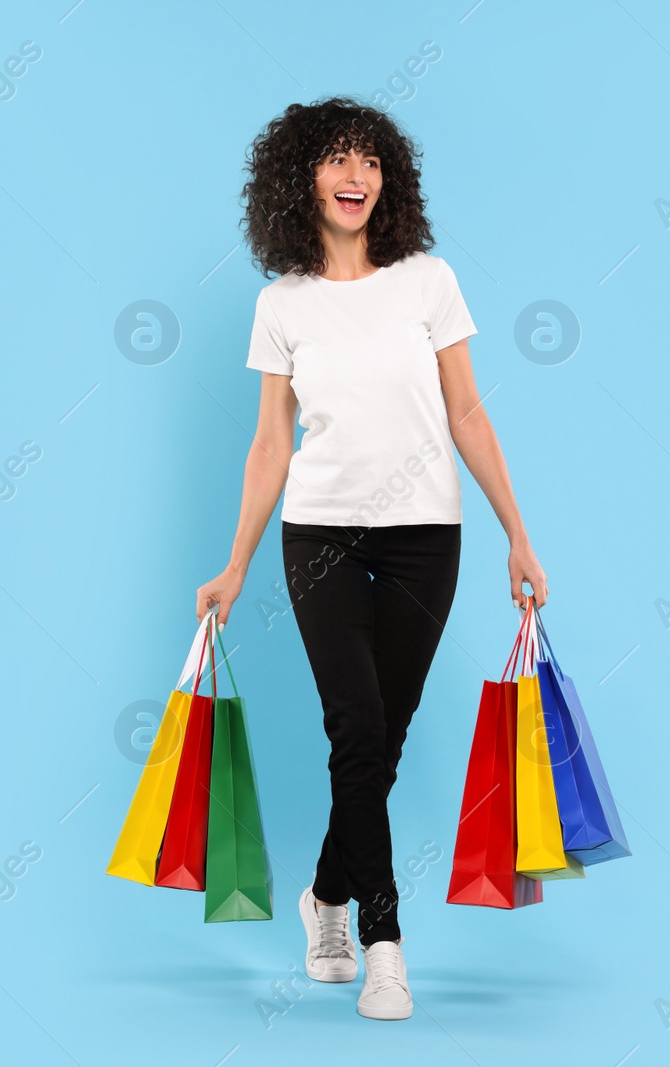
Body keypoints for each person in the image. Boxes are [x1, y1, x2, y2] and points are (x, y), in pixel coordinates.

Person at [195, 96, 547, 1021]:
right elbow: (270, 446)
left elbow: (467, 412)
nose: (356, 177)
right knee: (355, 727)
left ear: (389, 181)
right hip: (319, 538)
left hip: (429, 538)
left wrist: (517, 530)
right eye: (337, 161)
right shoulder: (282, 304)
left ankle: (325, 894)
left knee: (380, 740)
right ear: (300, 178)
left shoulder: (427, 282)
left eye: (371, 162)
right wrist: (234, 564)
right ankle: (384, 943)